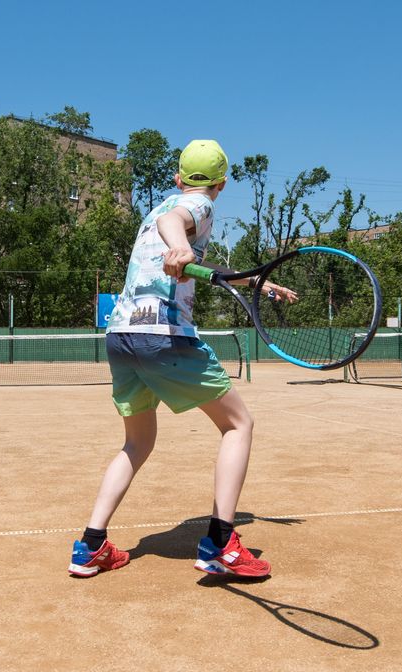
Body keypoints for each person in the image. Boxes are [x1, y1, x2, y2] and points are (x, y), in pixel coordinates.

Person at [68, 140, 297, 579]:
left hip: (121, 336)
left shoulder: (155, 210)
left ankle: (90, 546)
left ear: (177, 177)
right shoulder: (196, 207)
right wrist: (181, 247)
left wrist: (261, 284)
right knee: (238, 425)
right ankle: (220, 544)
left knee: (137, 443)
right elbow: (178, 225)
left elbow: (193, 259)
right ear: (221, 185)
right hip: (163, 337)